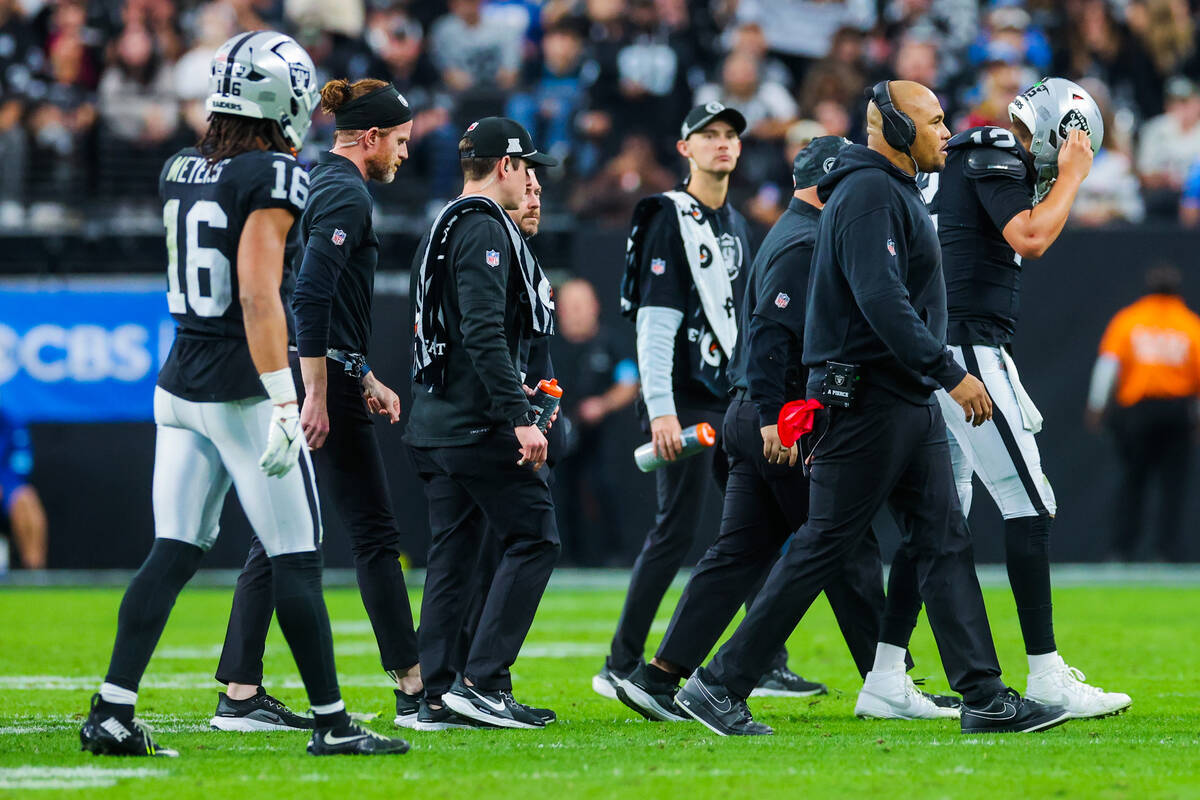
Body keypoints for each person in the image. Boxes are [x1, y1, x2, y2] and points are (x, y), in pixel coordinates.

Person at [673, 80, 1070, 737]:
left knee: (943, 537)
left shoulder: (891, 191)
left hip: (899, 395)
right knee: (826, 544)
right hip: (867, 398)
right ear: (892, 126)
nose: (947, 132)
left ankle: (984, 695)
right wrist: (949, 372)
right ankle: (719, 684)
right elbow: (880, 296)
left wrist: (928, 379)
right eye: (935, 121)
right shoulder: (866, 191)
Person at [78, 32, 408, 758]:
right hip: (239, 385)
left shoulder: (181, 167)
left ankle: (111, 707)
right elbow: (261, 298)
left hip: (179, 378)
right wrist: (285, 399)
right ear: (281, 97)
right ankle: (331, 722)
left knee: (171, 551)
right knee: (297, 554)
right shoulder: (276, 174)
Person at [613, 136, 960, 724]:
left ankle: (659, 675)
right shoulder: (807, 240)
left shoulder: (791, 231)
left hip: (752, 416)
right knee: (841, 546)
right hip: (778, 420)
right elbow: (774, 332)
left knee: (740, 552)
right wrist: (778, 417)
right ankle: (880, 683)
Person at [878, 77, 1131, 721]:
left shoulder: (967, 159)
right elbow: (1031, 237)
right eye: (1074, 139)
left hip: (944, 348)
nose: (1071, 153)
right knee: (1030, 503)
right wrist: (1073, 174)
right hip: (966, 351)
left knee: (942, 513)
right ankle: (1046, 676)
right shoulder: (993, 148)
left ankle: (884, 676)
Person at [209, 78, 423, 733]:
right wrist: (321, 394)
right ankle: (415, 687)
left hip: (328, 375)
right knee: (375, 536)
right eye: (401, 142)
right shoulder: (343, 190)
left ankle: (241, 693)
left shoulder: (327, 184)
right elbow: (308, 298)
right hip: (316, 384)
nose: (405, 155)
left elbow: (328, 309)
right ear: (369, 137)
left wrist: (362, 374)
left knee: (282, 537)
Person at [601, 102, 811, 701]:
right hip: (685, 398)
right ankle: (622, 661)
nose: (722, 144)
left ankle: (766, 657)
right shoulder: (671, 217)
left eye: (730, 136)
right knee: (678, 528)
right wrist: (660, 408)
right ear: (684, 147)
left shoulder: (736, 224)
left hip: (727, 398)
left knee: (756, 527)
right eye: (709, 135)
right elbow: (656, 322)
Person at [406, 116, 560, 729]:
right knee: (536, 538)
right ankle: (483, 681)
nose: (533, 183)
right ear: (507, 165)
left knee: (454, 555)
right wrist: (520, 415)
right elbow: (482, 331)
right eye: (529, 169)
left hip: (437, 421)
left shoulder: (442, 224)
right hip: (474, 424)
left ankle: (437, 693)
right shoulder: (482, 230)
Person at [1087, 265, 1200, 563]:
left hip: (1138, 412)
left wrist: (1097, 405)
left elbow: (1108, 365)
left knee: (1132, 481)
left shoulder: (1130, 319)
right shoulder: (1190, 324)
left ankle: (1123, 550)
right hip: (1177, 412)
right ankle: (1168, 551)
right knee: (1173, 486)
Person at [550, 278, 639, 565]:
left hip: (601, 432)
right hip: (556, 433)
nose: (577, 312)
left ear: (595, 307)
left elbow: (629, 382)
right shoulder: (547, 346)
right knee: (559, 492)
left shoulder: (611, 343)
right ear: (559, 310)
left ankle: (614, 556)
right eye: (570, 306)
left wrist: (603, 404)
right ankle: (565, 559)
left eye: (582, 305)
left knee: (606, 485)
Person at [0, 403, 47, 570]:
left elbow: (22, 459)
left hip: (7, 486)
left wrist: (5, 484)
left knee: (26, 499)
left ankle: (33, 570)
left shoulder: (8, 420)